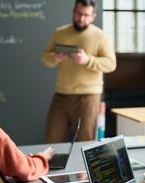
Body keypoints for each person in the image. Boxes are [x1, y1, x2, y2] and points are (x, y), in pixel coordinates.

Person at [42, 0, 116, 143]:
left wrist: (87, 60)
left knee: (85, 142)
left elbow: (111, 64)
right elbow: (45, 56)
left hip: (88, 97)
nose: (81, 19)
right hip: (61, 95)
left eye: (86, 15)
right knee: (51, 141)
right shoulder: (60, 33)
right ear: (73, 12)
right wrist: (54, 57)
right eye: (78, 13)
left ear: (93, 17)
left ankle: (82, 167)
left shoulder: (100, 36)